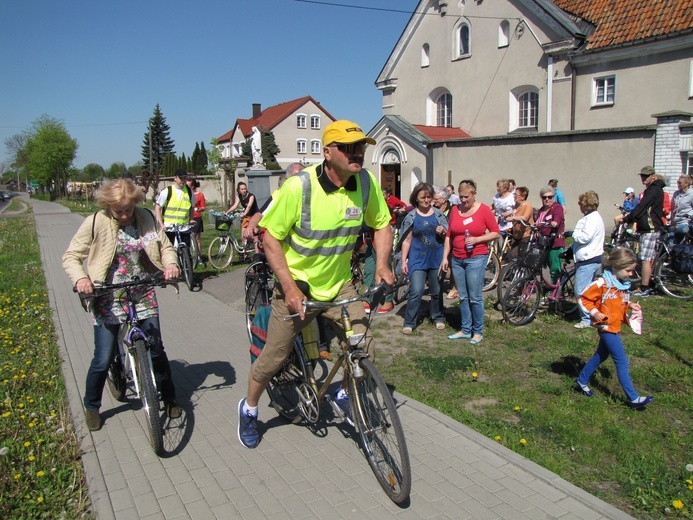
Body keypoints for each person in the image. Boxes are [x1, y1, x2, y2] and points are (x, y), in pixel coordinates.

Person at [237, 120, 393, 449]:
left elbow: (382, 224)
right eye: (349, 148)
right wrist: (290, 288)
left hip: (339, 286)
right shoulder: (300, 187)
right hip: (298, 287)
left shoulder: (365, 183)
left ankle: (343, 394)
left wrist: (381, 264)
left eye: (361, 147)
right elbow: (271, 239)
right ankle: (249, 409)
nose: (358, 154)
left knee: (364, 346)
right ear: (327, 152)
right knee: (273, 359)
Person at [63, 179, 182, 431]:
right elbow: (71, 256)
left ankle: (169, 396)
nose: (125, 215)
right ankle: (92, 405)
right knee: (103, 358)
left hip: (142, 291)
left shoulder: (146, 218)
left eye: (129, 209)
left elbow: (166, 248)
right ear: (108, 206)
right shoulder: (96, 222)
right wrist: (82, 279)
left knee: (157, 349)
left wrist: (171, 265)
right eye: (119, 211)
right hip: (107, 295)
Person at [574, 247, 654, 409]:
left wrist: (630, 305)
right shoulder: (602, 283)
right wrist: (595, 312)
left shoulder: (621, 284)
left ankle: (581, 381)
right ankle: (633, 398)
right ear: (616, 266)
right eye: (629, 271)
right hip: (606, 327)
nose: (631, 274)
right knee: (622, 362)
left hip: (614, 324)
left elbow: (619, 302)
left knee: (600, 356)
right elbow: (582, 298)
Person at [443, 179, 500, 345]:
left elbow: (495, 232)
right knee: (463, 296)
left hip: (476, 258)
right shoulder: (454, 210)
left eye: (466, 197)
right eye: (461, 197)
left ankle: (478, 331)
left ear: (474, 194)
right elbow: (449, 235)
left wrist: (477, 239)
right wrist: (445, 256)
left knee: (475, 297)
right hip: (457, 258)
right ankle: (465, 329)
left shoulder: (483, 210)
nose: (463, 200)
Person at [399, 182, 448, 334]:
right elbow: (406, 240)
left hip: (436, 257)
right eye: (423, 197)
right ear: (416, 199)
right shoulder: (411, 216)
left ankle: (437, 316)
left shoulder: (438, 215)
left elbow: (448, 236)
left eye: (429, 197)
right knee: (416, 290)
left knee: (436, 290)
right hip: (417, 258)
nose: (426, 200)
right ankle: (409, 321)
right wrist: (403, 261)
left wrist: (443, 232)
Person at [622, 166, 665, 296]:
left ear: (653, 176)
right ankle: (650, 283)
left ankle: (644, 288)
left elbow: (642, 207)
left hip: (650, 228)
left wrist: (628, 218)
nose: (643, 178)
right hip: (651, 228)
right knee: (650, 259)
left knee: (646, 259)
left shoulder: (653, 190)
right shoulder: (654, 189)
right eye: (642, 175)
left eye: (646, 176)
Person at [571, 191, 605, 329]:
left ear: (584, 205)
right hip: (592, 258)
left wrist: (572, 234)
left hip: (588, 260)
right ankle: (593, 315)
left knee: (581, 291)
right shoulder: (593, 217)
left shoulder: (592, 219)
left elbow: (585, 237)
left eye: (580, 203)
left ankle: (586, 319)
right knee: (590, 291)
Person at [243, 162, 304, 240]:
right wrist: (251, 226)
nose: (299, 182)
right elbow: (260, 213)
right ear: (287, 179)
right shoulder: (278, 195)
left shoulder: (312, 194)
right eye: (295, 178)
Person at [154, 169, 194, 248]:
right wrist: (161, 224)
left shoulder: (189, 192)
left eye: (185, 178)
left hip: (184, 226)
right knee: (168, 250)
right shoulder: (167, 191)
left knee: (186, 250)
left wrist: (191, 219)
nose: (183, 181)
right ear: (175, 178)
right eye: (181, 178)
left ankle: (186, 259)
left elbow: (192, 207)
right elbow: (157, 207)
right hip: (169, 227)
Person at [535, 186, 566, 284]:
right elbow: (538, 224)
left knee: (555, 269)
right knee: (542, 267)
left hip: (554, 243)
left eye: (550, 197)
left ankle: (555, 291)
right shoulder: (541, 211)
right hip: (543, 244)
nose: (547, 199)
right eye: (544, 197)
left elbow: (558, 217)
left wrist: (555, 222)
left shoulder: (557, 208)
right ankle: (547, 287)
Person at [505, 186, 533, 257]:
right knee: (512, 255)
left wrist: (513, 218)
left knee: (519, 256)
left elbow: (525, 217)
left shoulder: (527, 205)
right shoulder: (516, 205)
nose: (514, 196)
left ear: (523, 197)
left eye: (515, 194)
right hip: (516, 235)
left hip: (525, 236)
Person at [187, 178, 206, 266]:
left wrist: (198, 209)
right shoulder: (185, 195)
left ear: (193, 186)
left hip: (196, 217)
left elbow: (203, 207)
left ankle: (199, 257)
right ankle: (189, 257)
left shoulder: (199, 195)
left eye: (188, 186)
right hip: (187, 218)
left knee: (197, 238)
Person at [671, 174, 693, 243]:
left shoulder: (691, 194)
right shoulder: (676, 194)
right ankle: (671, 252)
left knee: (673, 232)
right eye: (677, 182)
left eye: (679, 182)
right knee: (668, 236)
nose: (678, 184)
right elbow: (673, 209)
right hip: (675, 222)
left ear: (686, 184)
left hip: (685, 222)